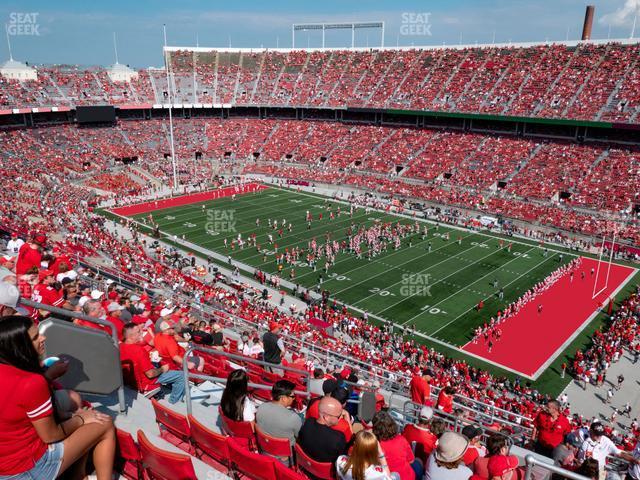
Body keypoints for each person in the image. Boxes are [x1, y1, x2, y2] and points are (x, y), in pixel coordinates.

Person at [0, 315, 115, 479]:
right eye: (35, 337)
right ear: (19, 347)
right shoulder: (32, 382)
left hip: (6, 461)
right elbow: (51, 435)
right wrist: (82, 419)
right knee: (104, 422)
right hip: (25, 470)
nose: (43, 337)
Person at [119, 323, 186, 404]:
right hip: (145, 383)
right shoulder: (139, 350)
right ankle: (174, 402)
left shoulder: (120, 346)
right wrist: (163, 369)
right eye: (138, 331)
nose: (141, 332)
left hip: (129, 380)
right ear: (131, 336)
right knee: (181, 375)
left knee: (156, 364)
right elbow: (150, 374)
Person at [372, 411, 422, 480]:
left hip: (388, 476)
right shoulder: (401, 439)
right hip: (407, 476)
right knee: (418, 462)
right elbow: (411, 460)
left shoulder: (373, 444)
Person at [298, 396, 347, 464]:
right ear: (326, 417)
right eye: (339, 416)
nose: (341, 417)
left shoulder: (307, 423)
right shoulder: (338, 438)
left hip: (305, 466)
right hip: (324, 474)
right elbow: (342, 461)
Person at [255, 380, 302, 446]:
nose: (294, 398)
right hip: (286, 454)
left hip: (264, 448)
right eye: (292, 396)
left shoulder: (261, 407)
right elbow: (300, 437)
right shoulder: (293, 418)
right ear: (283, 398)